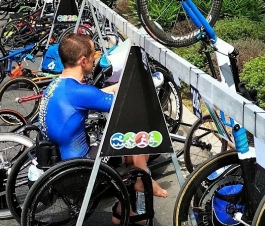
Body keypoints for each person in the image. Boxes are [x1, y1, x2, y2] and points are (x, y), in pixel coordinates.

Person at [39, 33, 169, 199]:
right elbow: (123, 104)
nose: (96, 58)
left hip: (58, 156)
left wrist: (117, 86)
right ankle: (142, 181)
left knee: (127, 148)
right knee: (136, 138)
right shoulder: (80, 92)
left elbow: (93, 95)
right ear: (83, 60)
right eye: (94, 55)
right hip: (80, 166)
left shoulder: (59, 83)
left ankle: (135, 191)